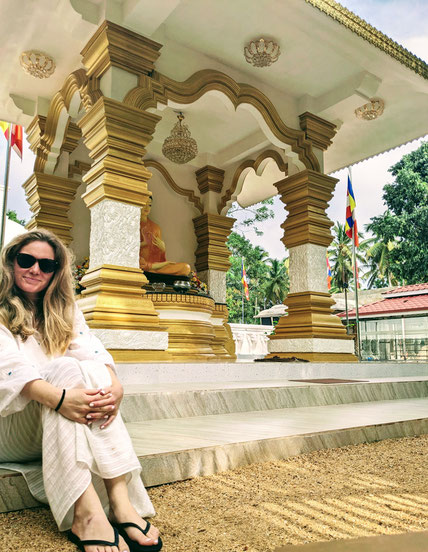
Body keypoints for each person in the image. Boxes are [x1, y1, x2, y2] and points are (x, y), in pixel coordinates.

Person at [0, 229, 163, 552]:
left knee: (85, 368)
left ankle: (120, 500)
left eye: (46, 265)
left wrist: (115, 388)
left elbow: (94, 353)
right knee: (64, 369)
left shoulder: (64, 310)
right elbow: (7, 371)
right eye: (26, 260)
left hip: (53, 423)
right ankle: (86, 513)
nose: (35, 270)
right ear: (10, 263)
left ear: (55, 272)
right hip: (10, 431)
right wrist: (60, 398)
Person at [140, 197, 190, 276]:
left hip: (156, 266)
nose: (147, 208)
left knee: (185, 268)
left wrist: (162, 249)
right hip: (141, 264)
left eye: (149, 205)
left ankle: (152, 271)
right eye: (144, 204)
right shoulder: (133, 225)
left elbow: (159, 257)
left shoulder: (155, 228)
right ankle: (150, 271)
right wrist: (144, 244)